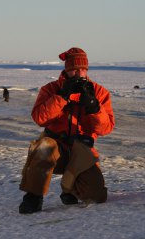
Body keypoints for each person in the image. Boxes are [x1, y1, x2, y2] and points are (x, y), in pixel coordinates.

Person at [19, 47, 115, 214]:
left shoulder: (99, 92)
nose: (79, 74)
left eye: (83, 70)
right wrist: (62, 97)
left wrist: (94, 107)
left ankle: (69, 189)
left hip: (82, 149)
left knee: (96, 195)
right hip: (57, 147)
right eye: (75, 70)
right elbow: (39, 118)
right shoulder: (51, 90)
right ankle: (33, 196)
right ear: (67, 70)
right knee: (44, 147)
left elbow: (106, 129)